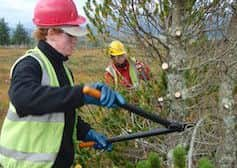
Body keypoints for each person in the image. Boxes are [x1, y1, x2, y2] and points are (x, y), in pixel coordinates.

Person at [0, 0, 125, 168]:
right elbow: (23, 99)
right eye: (70, 35)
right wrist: (81, 94)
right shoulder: (29, 65)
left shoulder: (64, 70)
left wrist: (86, 132)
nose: (75, 40)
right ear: (50, 32)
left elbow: (60, 113)